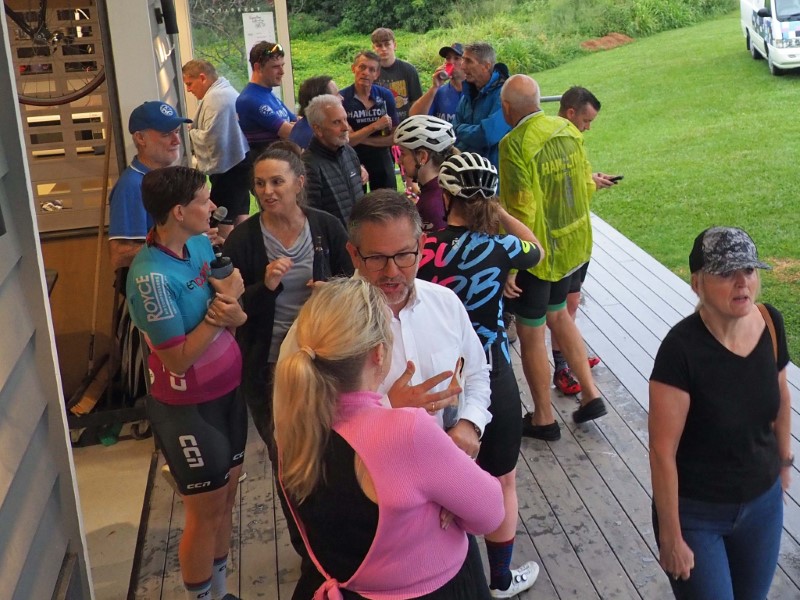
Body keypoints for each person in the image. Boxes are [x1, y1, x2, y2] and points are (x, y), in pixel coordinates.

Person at [274, 277, 504, 599]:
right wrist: (447, 490)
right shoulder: (406, 431)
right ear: (379, 354)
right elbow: (491, 512)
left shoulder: (295, 428)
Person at [417, 152, 543, 598]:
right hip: (491, 370)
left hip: (435, 373)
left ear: (446, 195)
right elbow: (536, 249)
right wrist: (500, 212)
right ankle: (500, 579)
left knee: (434, 483)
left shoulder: (422, 246)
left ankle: (442, 572)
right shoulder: (501, 247)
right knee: (501, 477)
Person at [649, 226, 792, 600]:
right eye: (726, 273)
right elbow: (662, 451)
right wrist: (671, 535)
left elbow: (781, 396)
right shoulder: (680, 351)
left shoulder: (770, 323)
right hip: (696, 516)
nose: (742, 283)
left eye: (749, 270)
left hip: (762, 506)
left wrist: (784, 463)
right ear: (697, 283)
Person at [126, 166, 248, 600]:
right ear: (179, 211)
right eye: (203, 200)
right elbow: (177, 359)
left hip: (228, 393)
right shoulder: (151, 278)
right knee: (204, 511)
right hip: (188, 408)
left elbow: (232, 308)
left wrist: (233, 306)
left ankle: (220, 592)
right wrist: (222, 313)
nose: (212, 206)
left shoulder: (197, 243)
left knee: (226, 498)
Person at [222, 141, 352, 459]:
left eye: (277, 181)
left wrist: (331, 291)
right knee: (283, 451)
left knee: (332, 446)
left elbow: (355, 286)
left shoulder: (327, 227)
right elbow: (232, 308)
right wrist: (265, 287)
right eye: (260, 183)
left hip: (324, 356)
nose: (267, 191)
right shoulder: (243, 239)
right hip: (269, 364)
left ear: (299, 183)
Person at [499, 74, 606, 441]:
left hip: (539, 257)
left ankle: (543, 417)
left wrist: (513, 264)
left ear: (507, 108)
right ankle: (590, 393)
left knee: (531, 335)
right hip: (572, 247)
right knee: (559, 316)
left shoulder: (514, 143)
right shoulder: (567, 130)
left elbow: (521, 208)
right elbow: (585, 185)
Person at [547, 86, 615, 394]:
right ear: (571, 112)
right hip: (559, 244)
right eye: (586, 121)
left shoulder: (574, 142)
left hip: (578, 241)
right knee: (560, 309)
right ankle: (562, 367)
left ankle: (571, 353)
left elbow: (576, 181)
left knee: (572, 303)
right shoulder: (553, 143)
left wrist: (592, 180)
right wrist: (589, 185)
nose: (587, 128)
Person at [108, 101, 191, 270]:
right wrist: (182, 243)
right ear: (140, 138)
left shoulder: (166, 177)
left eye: (177, 132)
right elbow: (120, 256)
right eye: (166, 134)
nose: (177, 141)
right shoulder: (132, 186)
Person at [182, 59, 251, 239]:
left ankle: (227, 253)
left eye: (190, 83)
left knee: (222, 224)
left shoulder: (216, 98)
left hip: (229, 168)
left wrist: (191, 133)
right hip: (240, 161)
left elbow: (213, 139)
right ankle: (245, 251)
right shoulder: (225, 91)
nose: (188, 90)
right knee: (240, 215)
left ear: (202, 78)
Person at [302, 94, 365, 227]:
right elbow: (311, 217)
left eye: (345, 119)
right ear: (317, 129)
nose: (345, 127)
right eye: (336, 122)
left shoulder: (349, 152)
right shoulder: (308, 166)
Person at [341, 51, 399, 191]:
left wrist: (359, 138)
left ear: (377, 74)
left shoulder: (385, 95)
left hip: (381, 157)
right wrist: (375, 126)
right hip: (353, 158)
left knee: (386, 199)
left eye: (372, 69)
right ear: (353, 68)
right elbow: (346, 140)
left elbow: (394, 137)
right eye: (362, 67)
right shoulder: (342, 98)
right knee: (356, 201)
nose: (366, 73)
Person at [393, 114, 457, 232]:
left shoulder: (432, 205)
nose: (399, 160)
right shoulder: (442, 188)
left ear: (422, 157)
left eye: (403, 153)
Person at [452, 42, 510, 170]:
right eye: (463, 60)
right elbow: (453, 135)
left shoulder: (504, 93)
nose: (462, 66)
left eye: (468, 61)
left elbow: (487, 135)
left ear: (486, 66)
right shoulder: (467, 95)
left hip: (497, 173)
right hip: (470, 173)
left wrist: (458, 129)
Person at [236, 41, 296, 157]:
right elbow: (293, 133)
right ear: (258, 67)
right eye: (275, 67)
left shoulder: (268, 94)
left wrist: (295, 126)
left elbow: (297, 122)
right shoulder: (249, 99)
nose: (282, 72)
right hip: (269, 164)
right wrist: (293, 127)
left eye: (282, 65)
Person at [371, 27, 423, 122]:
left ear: (394, 45)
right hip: (379, 124)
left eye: (387, 44)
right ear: (373, 48)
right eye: (379, 45)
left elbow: (416, 101)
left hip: (405, 123)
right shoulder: (370, 71)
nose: (384, 49)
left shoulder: (409, 70)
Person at [409, 42, 466, 124]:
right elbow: (414, 117)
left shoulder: (476, 91)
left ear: (466, 63)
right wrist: (434, 87)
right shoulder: (439, 92)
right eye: (448, 58)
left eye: (456, 58)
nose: (450, 62)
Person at [289, 75, 340, 150]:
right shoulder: (317, 135)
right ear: (322, 103)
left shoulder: (304, 125)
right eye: (337, 95)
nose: (342, 98)